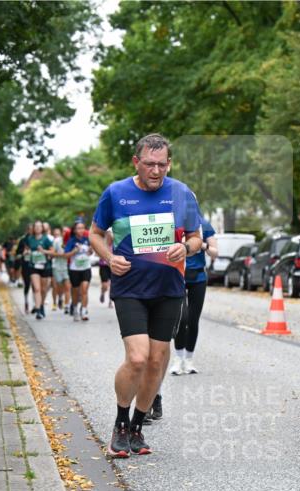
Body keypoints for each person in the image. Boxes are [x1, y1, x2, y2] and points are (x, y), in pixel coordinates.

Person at [89, 133, 203, 458]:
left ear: (169, 164)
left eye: (162, 165)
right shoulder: (116, 193)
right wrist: (109, 259)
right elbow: (95, 234)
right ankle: (120, 422)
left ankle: (138, 426)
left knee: (156, 361)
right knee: (137, 358)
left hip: (168, 289)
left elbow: (196, 237)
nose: (156, 171)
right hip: (129, 288)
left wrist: (187, 247)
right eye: (149, 164)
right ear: (136, 163)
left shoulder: (181, 193)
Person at [170, 218, 217, 375]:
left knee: (193, 320)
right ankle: (178, 359)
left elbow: (215, 252)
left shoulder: (204, 225)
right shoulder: (174, 223)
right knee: (182, 318)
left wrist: (202, 245)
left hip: (198, 278)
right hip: (179, 276)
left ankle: (189, 360)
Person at [64, 220, 93, 321]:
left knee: (84, 289)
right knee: (75, 291)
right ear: (75, 230)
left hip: (86, 268)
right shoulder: (71, 241)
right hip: (74, 270)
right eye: (79, 228)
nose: (81, 230)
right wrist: (74, 251)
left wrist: (90, 250)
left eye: (82, 228)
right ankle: (75, 308)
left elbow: (90, 253)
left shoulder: (87, 239)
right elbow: (66, 255)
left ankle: (84, 311)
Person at [50, 227, 71, 313]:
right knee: (57, 286)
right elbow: (52, 253)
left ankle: (66, 306)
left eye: (67, 232)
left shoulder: (71, 241)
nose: (65, 233)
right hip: (57, 266)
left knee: (67, 287)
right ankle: (58, 299)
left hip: (67, 267)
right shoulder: (57, 241)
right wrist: (59, 254)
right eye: (64, 232)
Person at [98, 230, 113, 307]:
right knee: (105, 285)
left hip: (112, 266)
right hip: (103, 266)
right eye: (107, 234)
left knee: (112, 285)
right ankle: (103, 292)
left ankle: (110, 301)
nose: (109, 236)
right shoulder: (102, 244)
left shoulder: (115, 244)